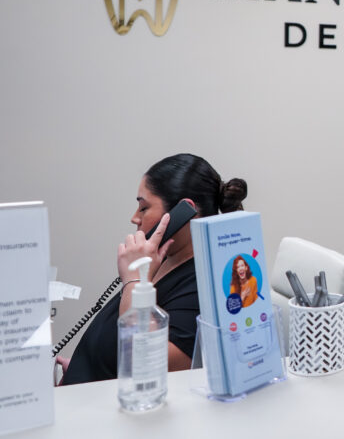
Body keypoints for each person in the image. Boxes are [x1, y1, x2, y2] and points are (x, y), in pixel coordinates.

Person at [59, 153, 247, 385]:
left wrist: (133, 281)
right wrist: (87, 365)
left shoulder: (202, 283)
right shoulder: (161, 260)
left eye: (143, 208)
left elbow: (148, 361)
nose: (134, 218)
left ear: (183, 212)